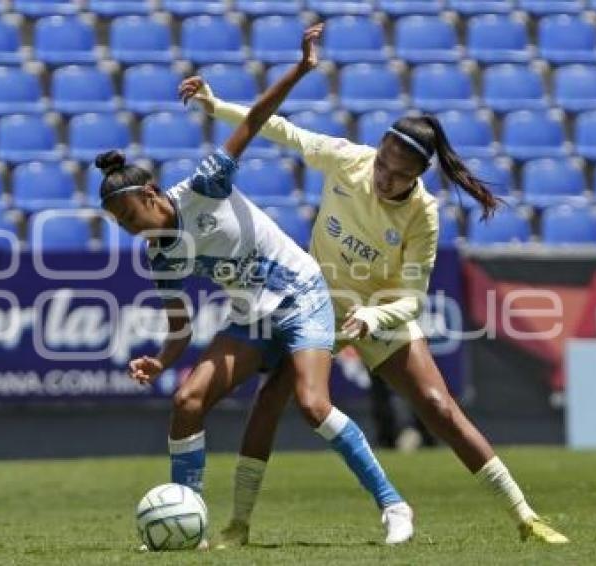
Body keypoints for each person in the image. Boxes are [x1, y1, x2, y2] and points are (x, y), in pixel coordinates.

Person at [180, 77, 570, 546]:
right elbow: (280, 129)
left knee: (438, 406)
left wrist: (371, 318)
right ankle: (238, 525)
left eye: (397, 174)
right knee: (270, 400)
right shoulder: (350, 160)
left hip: (378, 312)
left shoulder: (423, 214)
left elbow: (412, 299)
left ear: (419, 175)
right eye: (382, 164)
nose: (383, 177)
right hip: (315, 305)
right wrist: (215, 104)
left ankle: (525, 517)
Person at [100, 24, 414, 547]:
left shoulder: (205, 185)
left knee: (314, 405)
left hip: (302, 295)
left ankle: (394, 505)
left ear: (152, 195)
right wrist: (160, 360)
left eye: (130, 215)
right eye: (120, 224)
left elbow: (256, 118)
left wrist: (302, 67)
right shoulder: (160, 257)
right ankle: (192, 522)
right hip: (253, 316)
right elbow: (178, 330)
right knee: (187, 400)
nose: (130, 228)